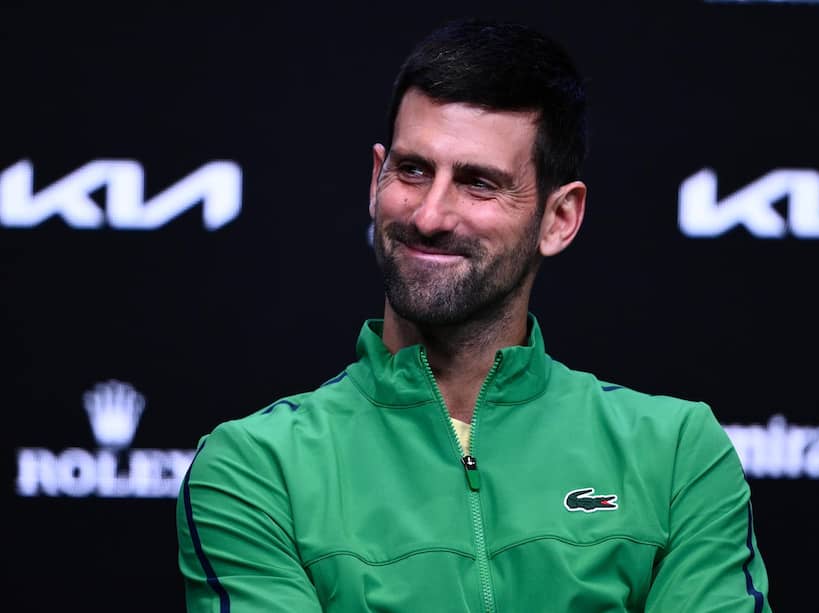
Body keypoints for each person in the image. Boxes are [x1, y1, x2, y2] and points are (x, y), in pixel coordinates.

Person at [176, 17, 771, 612]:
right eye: (412, 171)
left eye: (478, 183)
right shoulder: (256, 469)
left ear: (559, 218)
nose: (430, 215)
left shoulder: (675, 455)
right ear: (376, 179)